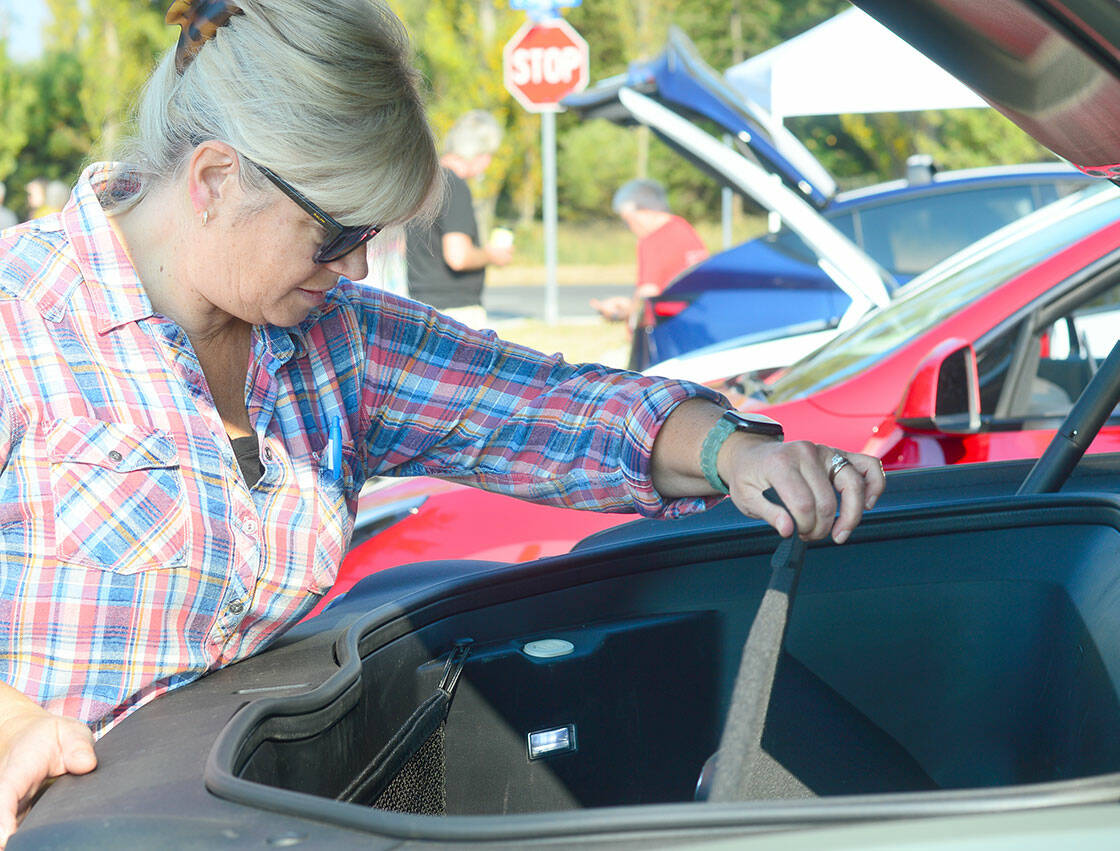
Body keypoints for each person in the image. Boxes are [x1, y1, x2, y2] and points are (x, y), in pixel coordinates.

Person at [0, 0, 884, 842]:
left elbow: (548, 408)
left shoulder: (334, 341)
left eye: (375, 237)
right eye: (337, 233)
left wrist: (732, 450)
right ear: (217, 180)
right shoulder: (20, 317)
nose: (354, 268)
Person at [403, 109, 512, 328]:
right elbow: (458, 257)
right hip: (456, 309)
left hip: (420, 303)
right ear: (479, 153)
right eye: (489, 155)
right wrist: (491, 255)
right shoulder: (455, 185)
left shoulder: (422, 182)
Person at [591, 178, 709, 323]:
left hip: (669, 327)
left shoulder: (652, 240)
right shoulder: (683, 227)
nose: (630, 227)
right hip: (696, 319)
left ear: (644, 211)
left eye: (628, 220)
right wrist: (626, 306)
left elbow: (647, 299)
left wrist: (617, 314)